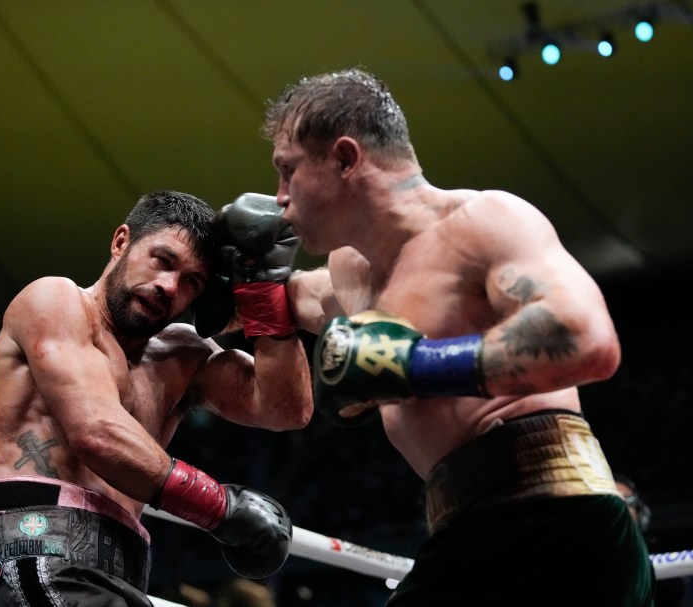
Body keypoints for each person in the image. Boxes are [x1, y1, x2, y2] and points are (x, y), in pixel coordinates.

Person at [242, 67, 655, 605]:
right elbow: (283, 301)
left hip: (556, 519)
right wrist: (226, 267)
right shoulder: (353, 273)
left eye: (287, 171)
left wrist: (417, 366)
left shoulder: (483, 222)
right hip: (475, 531)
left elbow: (588, 339)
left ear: (345, 159)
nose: (278, 197)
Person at [0, 190, 314, 606]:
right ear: (120, 243)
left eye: (192, 282)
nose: (169, 286)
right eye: (163, 261)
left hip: (122, 574)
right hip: (39, 553)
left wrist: (262, 292)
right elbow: (97, 433)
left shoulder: (183, 356)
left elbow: (286, 409)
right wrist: (218, 507)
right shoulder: (55, 303)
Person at [615, 472, 688, 606]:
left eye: (628, 501)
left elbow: (673, 593)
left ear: (641, 514)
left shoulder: (657, 549)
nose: (622, 508)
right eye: (615, 501)